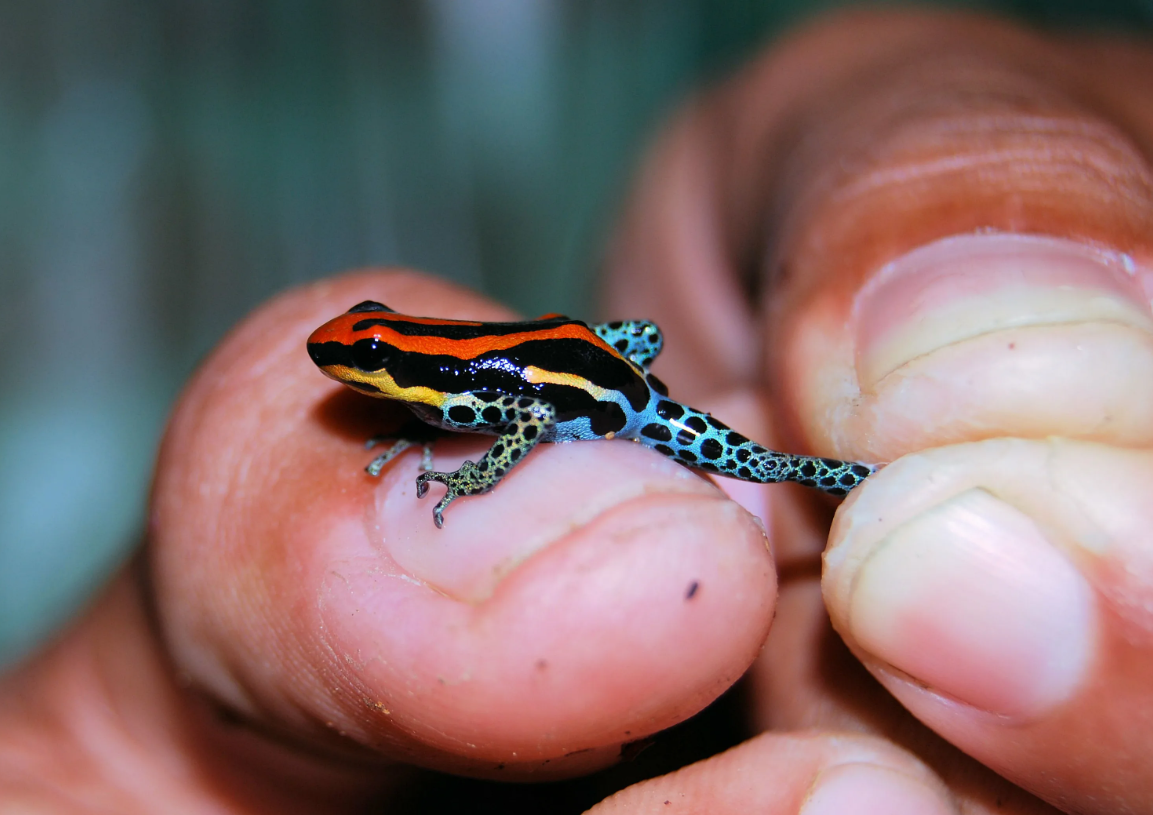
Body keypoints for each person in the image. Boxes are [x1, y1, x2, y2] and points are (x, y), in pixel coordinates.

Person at [3, 10, 1150, 813]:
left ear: (393, 357)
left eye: (365, 352)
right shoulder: (427, 386)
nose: (349, 365)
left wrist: (456, 473)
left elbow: (509, 428)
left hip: (609, 395)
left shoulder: (456, 388)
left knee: (722, 452)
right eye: (361, 363)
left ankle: (834, 477)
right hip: (578, 366)